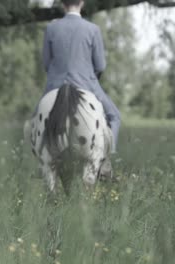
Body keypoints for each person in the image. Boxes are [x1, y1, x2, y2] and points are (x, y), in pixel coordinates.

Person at [41, 0, 121, 153]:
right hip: (86, 84)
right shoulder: (93, 29)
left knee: (34, 120)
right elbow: (100, 66)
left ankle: (40, 158)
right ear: (82, 3)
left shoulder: (51, 28)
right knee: (114, 117)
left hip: (55, 85)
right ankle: (106, 161)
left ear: (62, 4)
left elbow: (46, 63)